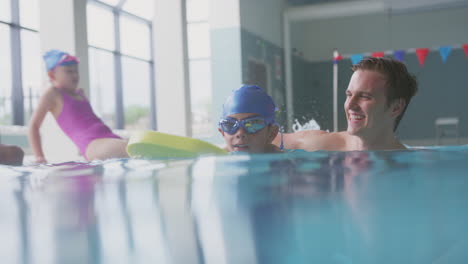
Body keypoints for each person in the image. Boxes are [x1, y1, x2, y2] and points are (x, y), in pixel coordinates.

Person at [274, 57, 418, 151]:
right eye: (349, 95)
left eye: (365, 96)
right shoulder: (323, 145)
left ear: (396, 107)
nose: (350, 105)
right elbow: (264, 139)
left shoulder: (410, 167)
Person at [28, 50, 129, 163]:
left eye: (76, 71)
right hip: (94, 144)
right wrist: (39, 157)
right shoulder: (53, 94)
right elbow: (33, 126)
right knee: (136, 151)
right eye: (69, 71)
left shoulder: (80, 93)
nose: (75, 75)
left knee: (142, 148)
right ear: (52, 75)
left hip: (109, 137)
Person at [218, 85, 282, 153]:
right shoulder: (217, 159)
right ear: (222, 132)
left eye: (252, 124)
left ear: (271, 133)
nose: (240, 133)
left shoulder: (283, 161)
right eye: (230, 125)